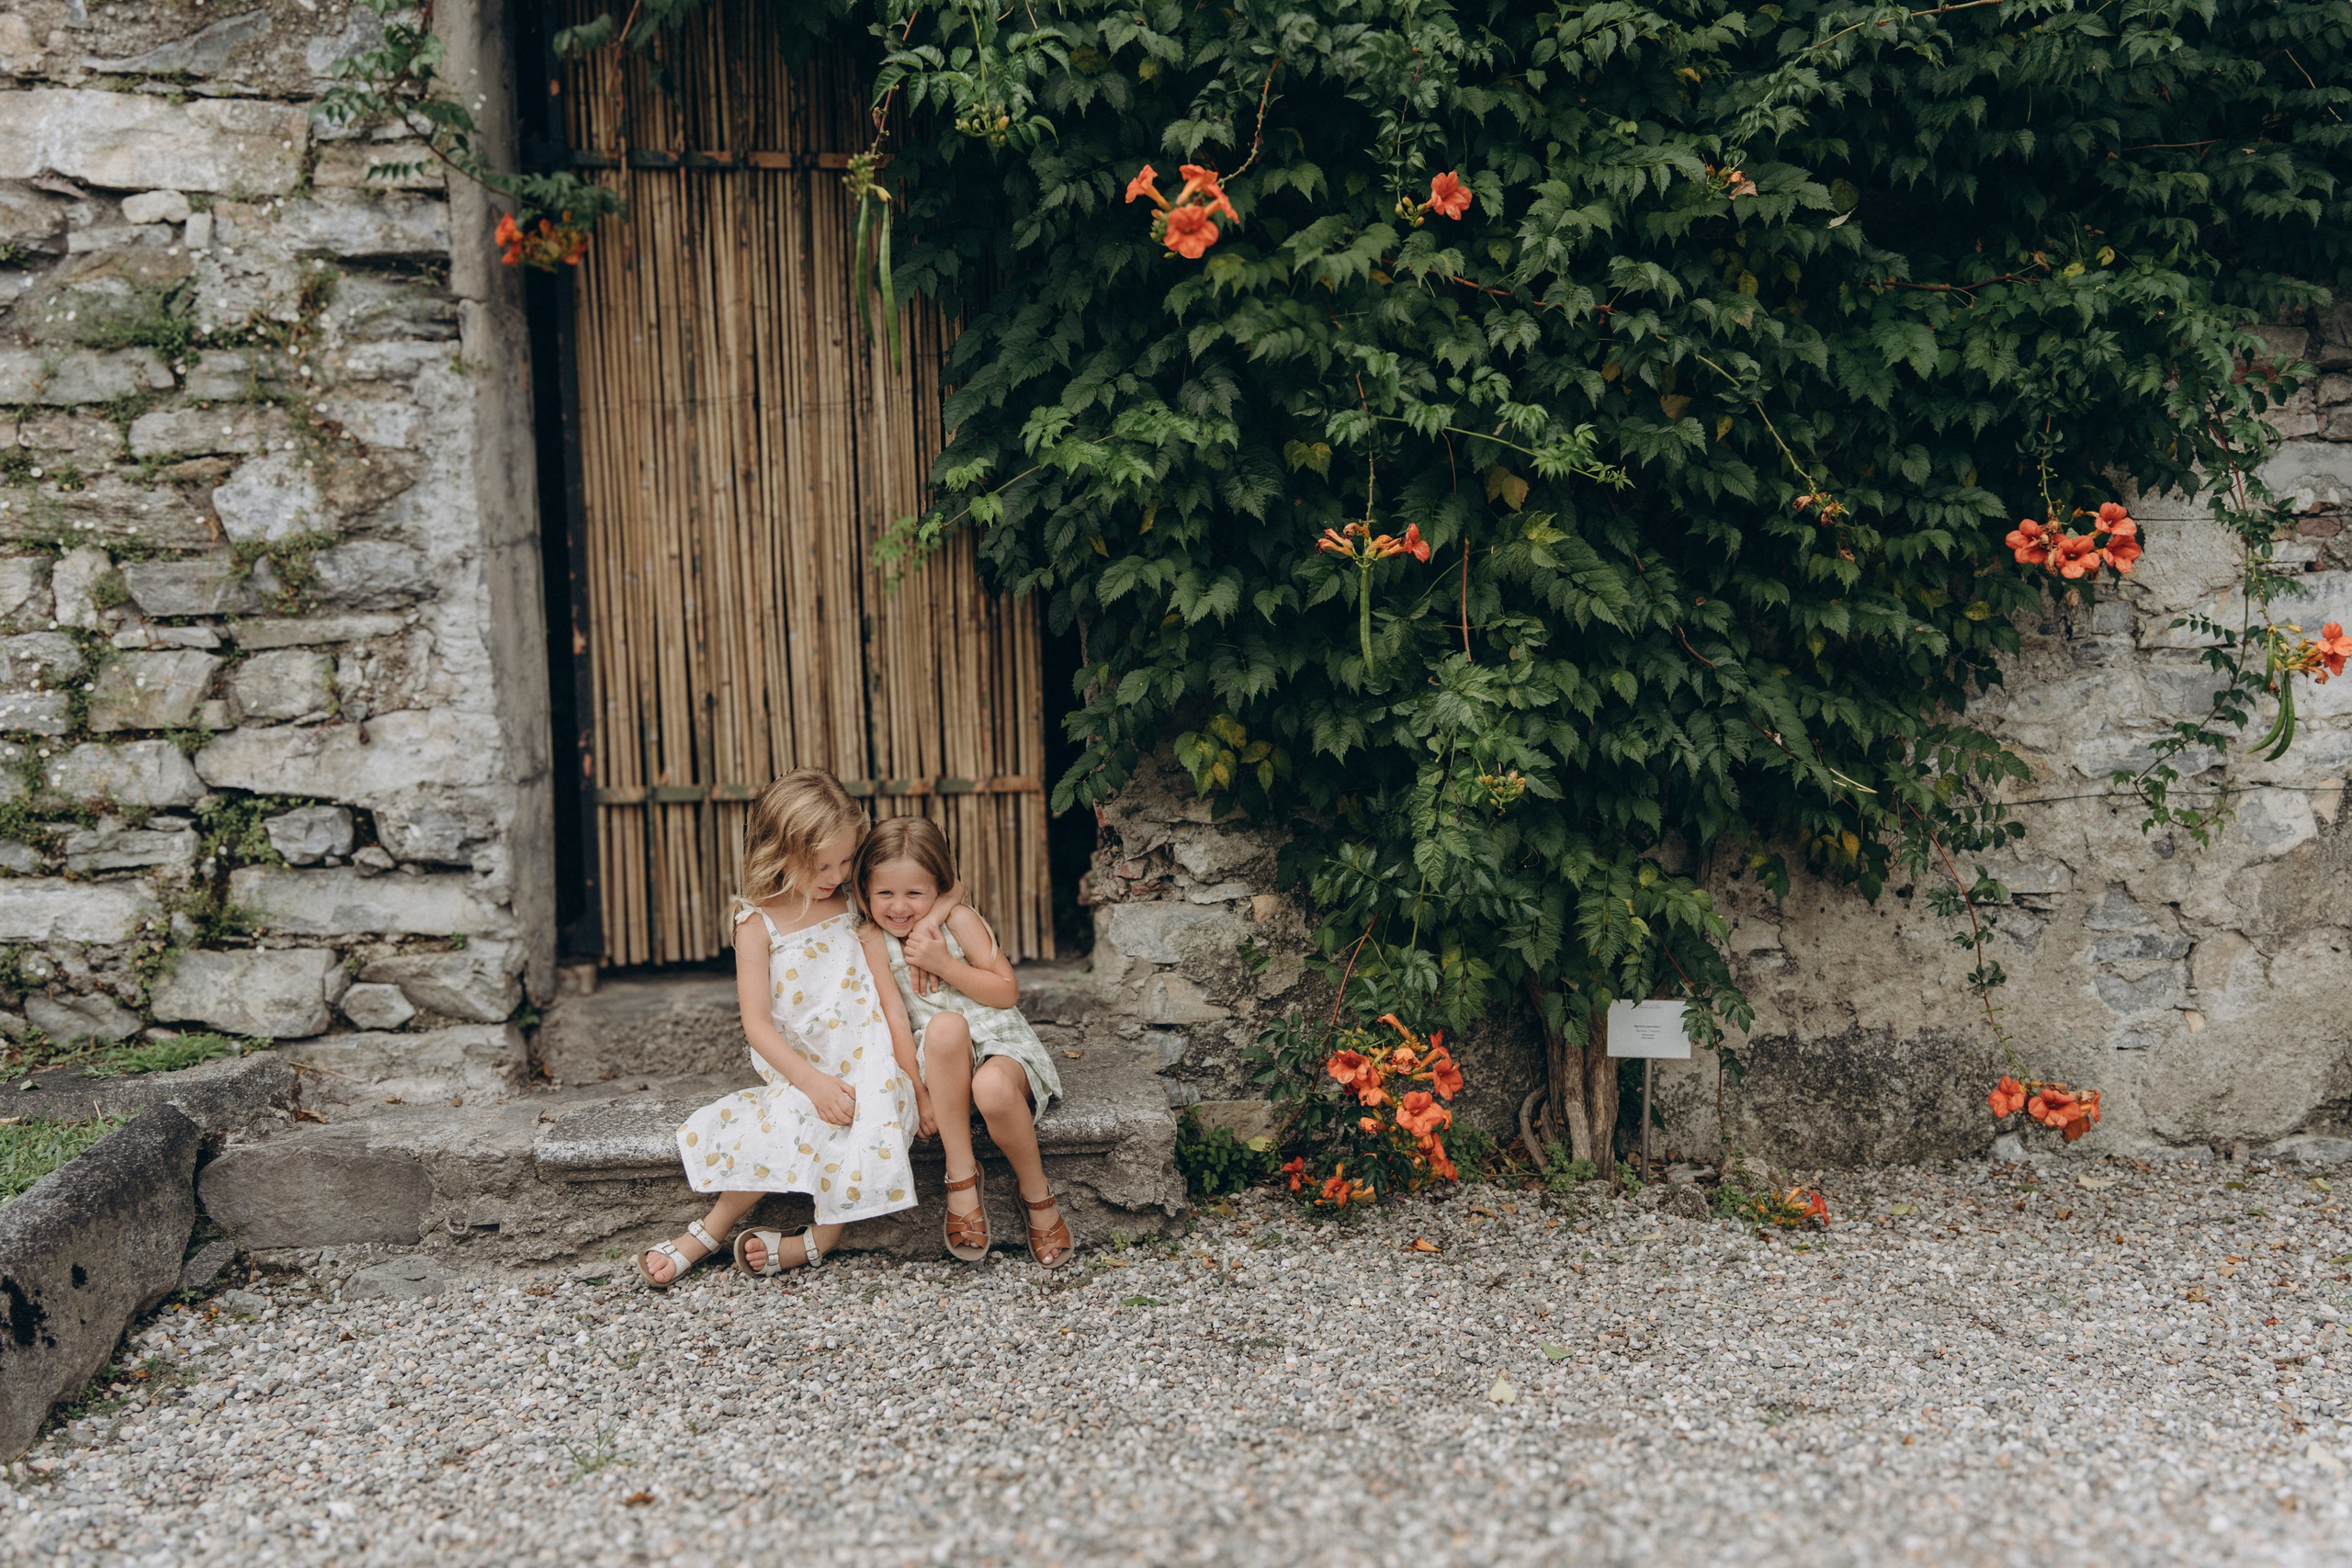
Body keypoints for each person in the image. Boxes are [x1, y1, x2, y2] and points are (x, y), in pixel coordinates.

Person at [637, 769, 939, 1286]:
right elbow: (757, 1026)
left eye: (847, 860)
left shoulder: (855, 901)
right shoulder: (757, 923)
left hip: (876, 1059)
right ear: (780, 850)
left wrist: (918, 1084)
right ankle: (712, 1229)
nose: (838, 873)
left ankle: (820, 1240)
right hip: (807, 1068)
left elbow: (943, 890)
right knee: (788, 1119)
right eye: (822, 864)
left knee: (868, 1114)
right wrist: (814, 1083)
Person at [855, 816, 1072, 1267]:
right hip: (941, 1062)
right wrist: (919, 1093)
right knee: (945, 1026)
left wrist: (943, 962)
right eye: (885, 893)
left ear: (938, 888)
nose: (899, 907)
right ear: (865, 891)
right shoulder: (872, 938)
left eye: (914, 894)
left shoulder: (958, 919)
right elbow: (895, 1017)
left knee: (991, 1088)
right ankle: (962, 1176)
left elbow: (1006, 992)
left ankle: (1035, 1192)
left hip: (1001, 1047)